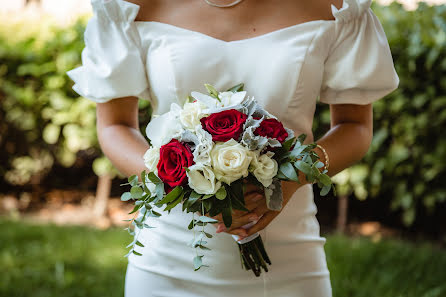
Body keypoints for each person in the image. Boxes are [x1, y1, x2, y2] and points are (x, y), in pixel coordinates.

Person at [66, 0, 399, 296]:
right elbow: (115, 126)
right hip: (167, 260)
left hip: (290, 259)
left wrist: (293, 177)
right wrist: (178, 181)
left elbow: (355, 126)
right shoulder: (128, 7)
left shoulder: (338, 8)